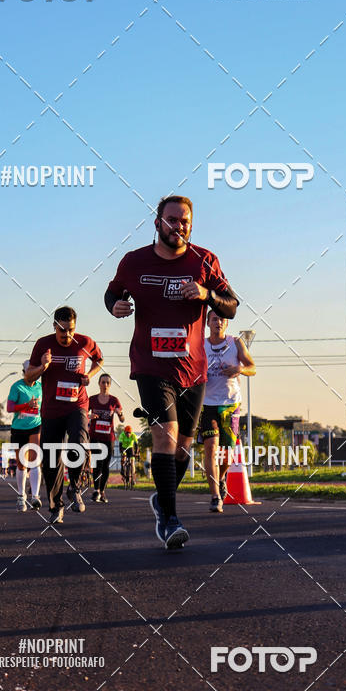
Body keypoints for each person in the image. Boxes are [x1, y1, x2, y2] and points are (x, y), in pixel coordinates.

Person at [105, 194, 239, 549]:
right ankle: (169, 519)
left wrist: (207, 293)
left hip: (192, 369)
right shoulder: (134, 262)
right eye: (172, 220)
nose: (178, 226)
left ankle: (162, 501)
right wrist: (116, 306)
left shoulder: (204, 261)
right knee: (166, 435)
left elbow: (232, 305)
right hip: (150, 365)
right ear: (157, 223)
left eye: (184, 221)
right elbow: (112, 294)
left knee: (184, 448)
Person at [25, 306, 104, 523]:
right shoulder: (43, 344)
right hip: (51, 410)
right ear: (54, 327)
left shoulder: (85, 342)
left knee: (80, 440)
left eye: (70, 330)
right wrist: (43, 366)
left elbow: (99, 360)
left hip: (77, 405)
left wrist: (89, 374)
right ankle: (55, 506)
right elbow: (29, 378)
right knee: (51, 460)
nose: (67, 335)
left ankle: (75, 487)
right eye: (62, 331)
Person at [200, 311, 256, 512]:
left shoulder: (236, 343)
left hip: (231, 404)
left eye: (222, 319)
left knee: (227, 455)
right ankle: (215, 496)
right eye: (214, 318)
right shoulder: (200, 344)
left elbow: (252, 367)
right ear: (207, 322)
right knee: (211, 447)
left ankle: (221, 477)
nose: (219, 322)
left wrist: (239, 369)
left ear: (226, 323)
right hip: (207, 404)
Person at [7, 361, 43, 512]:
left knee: (35, 461)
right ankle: (21, 496)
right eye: (30, 371)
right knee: (22, 464)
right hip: (18, 428)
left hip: (36, 425)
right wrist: (26, 406)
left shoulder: (41, 387)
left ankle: (35, 496)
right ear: (24, 372)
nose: (33, 374)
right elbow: (9, 408)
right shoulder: (17, 386)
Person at [88, 374, 124, 503]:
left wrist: (120, 414)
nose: (105, 385)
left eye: (108, 382)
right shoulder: (91, 399)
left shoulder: (114, 400)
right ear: (99, 384)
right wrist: (89, 416)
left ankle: (102, 491)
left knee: (105, 465)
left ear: (110, 385)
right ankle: (96, 490)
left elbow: (122, 418)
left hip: (108, 437)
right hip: (95, 436)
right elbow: (83, 415)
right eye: (103, 382)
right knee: (97, 463)